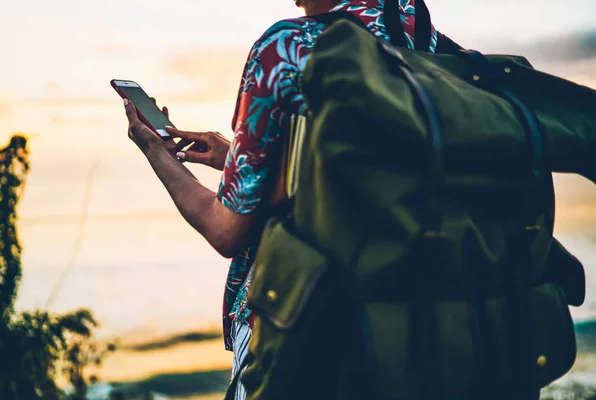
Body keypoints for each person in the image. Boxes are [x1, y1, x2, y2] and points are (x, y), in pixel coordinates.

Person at [123, 0, 439, 398]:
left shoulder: (288, 46)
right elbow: (367, 176)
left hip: (310, 325)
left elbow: (226, 231)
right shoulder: (430, 44)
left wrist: (156, 151)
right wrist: (242, 161)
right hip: (417, 325)